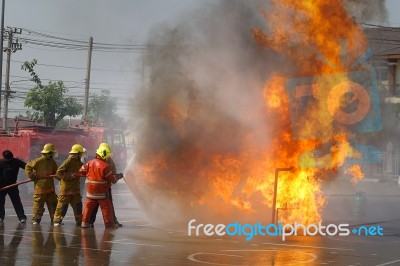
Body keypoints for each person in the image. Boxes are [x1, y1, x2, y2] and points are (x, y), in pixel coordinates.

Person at [78, 145, 122, 228]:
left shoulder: (89, 163)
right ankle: (109, 224)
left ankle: (84, 223)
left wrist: (89, 174)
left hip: (90, 192)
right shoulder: (105, 166)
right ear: (104, 154)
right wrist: (118, 176)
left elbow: (81, 171)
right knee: (106, 208)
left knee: (88, 208)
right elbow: (113, 180)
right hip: (101, 193)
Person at [25, 143, 58, 225]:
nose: (53, 155)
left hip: (50, 189)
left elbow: (56, 172)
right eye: (52, 153)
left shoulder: (52, 162)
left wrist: (62, 177)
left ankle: (55, 220)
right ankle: (36, 220)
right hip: (40, 188)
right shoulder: (39, 161)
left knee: (53, 204)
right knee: (38, 205)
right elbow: (28, 167)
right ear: (48, 153)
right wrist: (32, 176)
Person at [53, 144, 85, 226]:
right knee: (63, 205)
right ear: (77, 153)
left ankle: (79, 221)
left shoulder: (79, 162)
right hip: (66, 189)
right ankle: (57, 221)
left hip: (75, 190)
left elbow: (84, 170)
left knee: (78, 206)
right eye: (80, 153)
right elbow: (58, 173)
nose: (81, 155)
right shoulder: (68, 161)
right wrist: (70, 177)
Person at [0, 150, 27, 223]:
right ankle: (0, 217)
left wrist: (33, 173)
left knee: (16, 201)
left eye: (10, 159)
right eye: (7, 159)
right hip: (2, 186)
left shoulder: (16, 161)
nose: (9, 160)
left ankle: (22, 217)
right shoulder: (1, 162)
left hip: (13, 185)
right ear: (4, 158)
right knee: (0, 202)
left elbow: (27, 167)